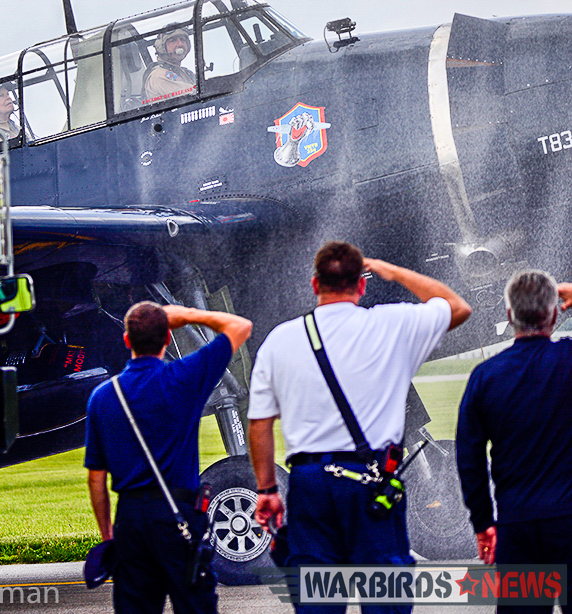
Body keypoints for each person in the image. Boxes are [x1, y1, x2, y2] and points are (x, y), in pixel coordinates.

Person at [247, 240, 471, 614]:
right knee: (386, 598)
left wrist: (268, 488)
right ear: (362, 284)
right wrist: (392, 270)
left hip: (310, 482)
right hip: (370, 482)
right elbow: (457, 307)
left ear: (315, 284)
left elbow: (260, 425)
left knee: (318, 600)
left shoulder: (279, 340)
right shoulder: (392, 323)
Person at [85, 300, 252, 614]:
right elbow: (239, 326)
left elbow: (96, 479)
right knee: (195, 605)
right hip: (177, 513)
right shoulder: (183, 378)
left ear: (126, 340)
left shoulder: (103, 396)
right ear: (166, 339)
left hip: (130, 518)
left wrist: (109, 537)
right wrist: (187, 315)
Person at [456, 269, 572, 613]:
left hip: (516, 523)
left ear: (509, 316)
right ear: (554, 314)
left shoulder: (485, 377)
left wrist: (482, 523)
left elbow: (469, 460)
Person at [143, 28, 196, 100]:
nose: (180, 44)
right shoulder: (159, 75)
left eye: (182, 39)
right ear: (161, 47)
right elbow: (192, 94)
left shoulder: (185, 73)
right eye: (173, 41)